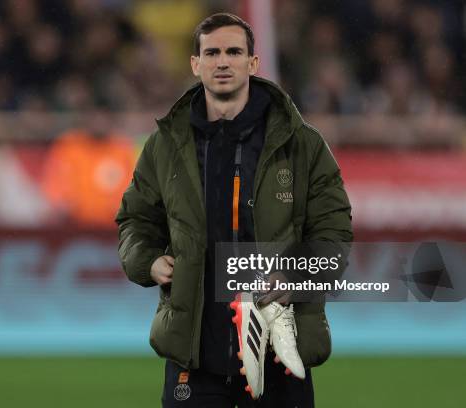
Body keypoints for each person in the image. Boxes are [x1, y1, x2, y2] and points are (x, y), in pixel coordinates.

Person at [116, 13, 352, 408]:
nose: (222, 62)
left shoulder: (304, 145)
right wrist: (148, 261)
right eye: (212, 53)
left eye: (233, 52)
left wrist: (297, 277)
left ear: (253, 63)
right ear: (195, 64)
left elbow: (334, 235)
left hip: (282, 354)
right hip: (195, 359)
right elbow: (134, 221)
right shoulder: (164, 146)